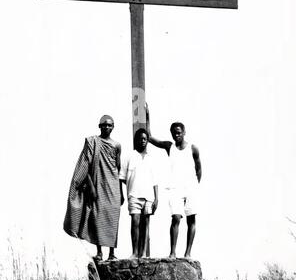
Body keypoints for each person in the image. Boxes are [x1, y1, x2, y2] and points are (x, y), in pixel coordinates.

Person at [63, 115, 124, 262]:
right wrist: (91, 186)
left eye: (109, 125)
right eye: (104, 125)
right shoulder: (92, 142)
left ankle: (112, 253)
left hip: (113, 186)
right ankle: (99, 252)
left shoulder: (117, 145)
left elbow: (118, 168)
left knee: (112, 219)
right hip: (98, 184)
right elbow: (86, 167)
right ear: (99, 126)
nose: (106, 127)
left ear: (113, 127)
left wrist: (121, 192)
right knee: (97, 217)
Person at [146, 105, 202, 259]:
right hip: (174, 188)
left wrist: (195, 186)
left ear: (184, 132)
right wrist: (148, 117)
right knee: (176, 218)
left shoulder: (193, 148)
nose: (176, 135)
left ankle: (188, 253)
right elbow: (150, 138)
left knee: (191, 219)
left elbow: (199, 169)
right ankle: (172, 252)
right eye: (173, 133)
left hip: (190, 187)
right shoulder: (170, 147)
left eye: (179, 133)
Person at [119, 128, 158, 259]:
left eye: (144, 139)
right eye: (140, 139)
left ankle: (143, 253)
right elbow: (122, 177)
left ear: (147, 141)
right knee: (135, 222)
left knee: (146, 224)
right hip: (134, 195)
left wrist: (156, 198)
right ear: (136, 140)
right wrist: (128, 190)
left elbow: (155, 181)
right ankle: (135, 252)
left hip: (149, 196)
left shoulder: (151, 159)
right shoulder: (129, 156)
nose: (142, 141)